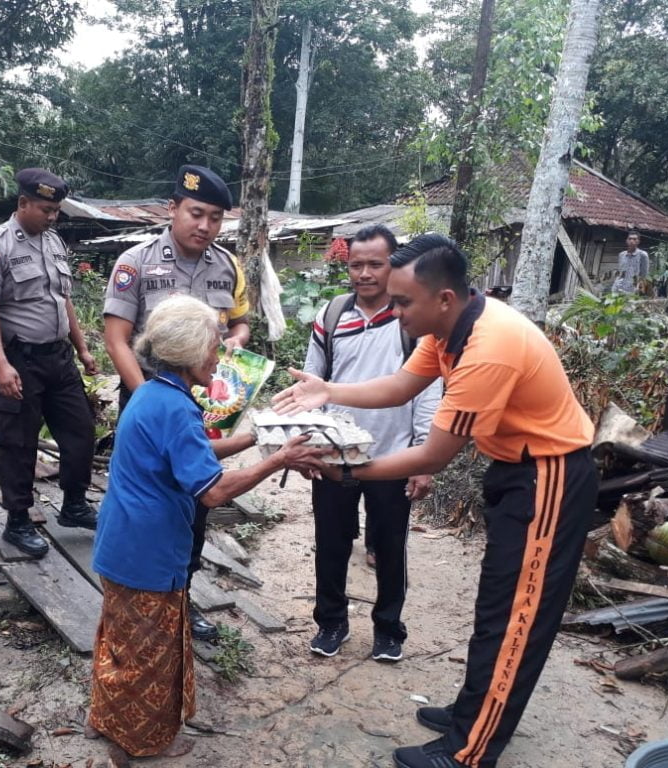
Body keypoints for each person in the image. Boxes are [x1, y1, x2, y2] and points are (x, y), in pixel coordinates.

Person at [274, 234, 597, 768]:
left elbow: (433, 456)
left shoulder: (488, 348)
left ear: (444, 297)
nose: (393, 310)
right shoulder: (448, 328)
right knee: (497, 604)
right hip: (519, 471)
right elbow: (401, 385)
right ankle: (473, 714)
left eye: (403, 302)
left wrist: (344, 470)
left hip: (549, 476)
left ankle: (469, 751)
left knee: (517, 613)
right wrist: (328, 391)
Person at [89, 295, 326, 759]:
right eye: (215, 348)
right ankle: (140, 742)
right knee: (150, 653)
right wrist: (279, 459)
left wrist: (259, 438)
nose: (219, 358)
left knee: (120, 641)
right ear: (192, 352)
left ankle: (105, 719)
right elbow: (213, 491)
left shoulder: (155, 395)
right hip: (149, 552)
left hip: (121, 543)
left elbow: (191, 455)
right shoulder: (176, 408)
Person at [103, 163, 250, 642]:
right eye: (195, 213)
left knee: (197, 504)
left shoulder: (226, 266)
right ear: (173, 209)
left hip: (205, 400)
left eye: (214, 217)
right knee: (151, 499)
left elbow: (240, 325)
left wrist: (230, 344)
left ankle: (179, 598)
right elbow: (117, 338)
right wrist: (147, 395)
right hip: (152, 398)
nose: (204, 225)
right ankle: (138, 593)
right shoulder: (136, 263)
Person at [303, 224, 440, 661]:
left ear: (393, 264)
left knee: (390, 545)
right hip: (334, 455)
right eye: (356, 264)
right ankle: (330, 623)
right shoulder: (332, 315)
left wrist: (423, 458)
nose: (364, 273)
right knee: (331, 542)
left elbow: (427, 391)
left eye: (374, 264)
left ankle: (388, 629)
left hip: (393, 455)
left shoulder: (411, 320)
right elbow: (313, 385)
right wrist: (309, 444)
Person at [0, 168, 99, 559]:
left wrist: (82, 349)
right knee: (18, 443)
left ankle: (74, 504)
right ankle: (18, 521)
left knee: (81, 432)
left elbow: (64, 300)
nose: (52, 216)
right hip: (19, 360)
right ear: (23, 203)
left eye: (56, 210)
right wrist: (0, 364)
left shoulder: (55, 242)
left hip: (59, 358)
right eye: (45, 209)